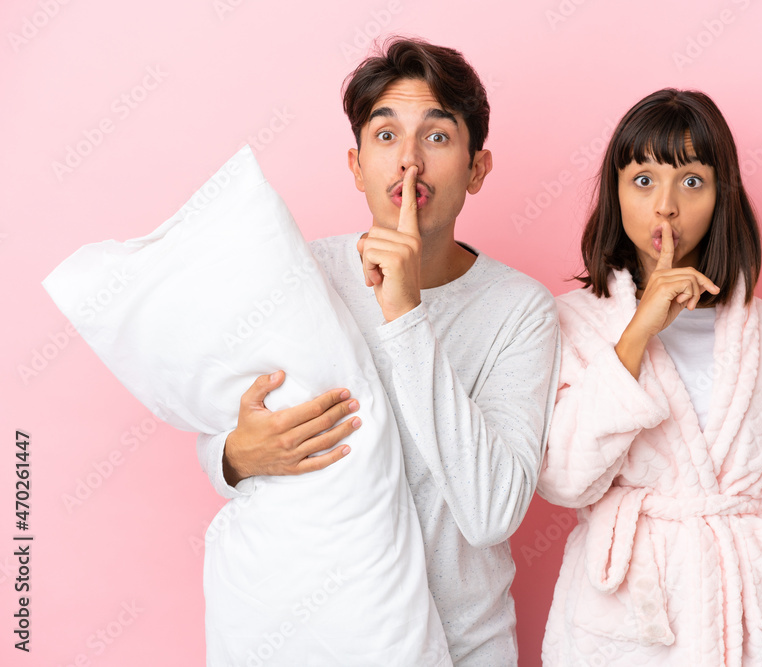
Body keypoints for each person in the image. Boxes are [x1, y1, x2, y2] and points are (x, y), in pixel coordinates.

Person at [196, 38, 560, 665]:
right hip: (315, 635)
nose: (409, 163)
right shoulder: (303, 275)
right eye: (386, 136)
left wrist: (405, 312)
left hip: (459, 644)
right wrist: (231, 457)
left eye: (438, 137)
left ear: (477, 168)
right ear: (356, 164)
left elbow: (493, 512)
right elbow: (228, 435)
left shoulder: (519, 309)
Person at [535, 89, 762, 665]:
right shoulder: (573, 322)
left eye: (691, 181)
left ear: (723, 196)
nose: (665, 206)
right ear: (616, 192)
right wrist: (638, 332)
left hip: (748, 619)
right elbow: (565, 479)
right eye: (643, 180)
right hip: (632, 619)